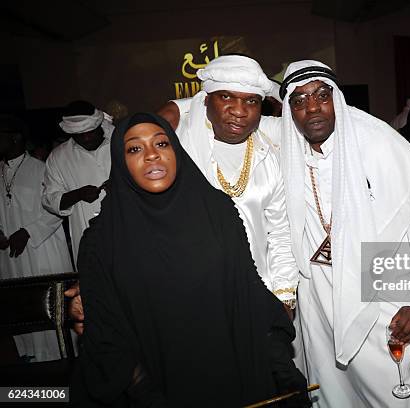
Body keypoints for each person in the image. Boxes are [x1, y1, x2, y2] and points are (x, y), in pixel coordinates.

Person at [72, 112, 306, 407]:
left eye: (162, 144)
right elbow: (107, 335)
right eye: (135, 148)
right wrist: (147, 394)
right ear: (121, 162)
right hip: (157, 388)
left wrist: (281, 367)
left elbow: (248, 294)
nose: (152, 156)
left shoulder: (218, 211)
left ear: (176, 151)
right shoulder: (102, 240)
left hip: (235, 380)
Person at [278, 60, 410, 407]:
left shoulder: (376, 142)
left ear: (337, 98)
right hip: (320, 303)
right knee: (331, 396)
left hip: (383, 297)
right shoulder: (290, 150)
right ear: (289, 110)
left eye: (321, 95)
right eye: (300, 100)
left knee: (393, 397)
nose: (312, 108)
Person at [165, 55, 298, 310]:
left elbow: (280, 233)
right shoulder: (176, 147)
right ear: (206, 100)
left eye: (251, 100)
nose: (239, 110)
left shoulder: (269, 152)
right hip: (189, 294)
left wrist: (284, 295)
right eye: (226, 97)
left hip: (256, 292)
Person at [0, 115, 72, 362]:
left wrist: (28, 231)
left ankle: (58, 357)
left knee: (48, 303)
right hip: (11, 255)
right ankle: (28, 354)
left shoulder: (42, 168)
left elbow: (57, 209)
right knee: (19, 305)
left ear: (15, 137)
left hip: (42, 249)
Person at [42, 100, 113, 261]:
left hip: (129, 231)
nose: (86, 138)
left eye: (90, 131)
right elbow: (48, 200)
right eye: (80, 135)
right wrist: (78, 194)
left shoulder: (122, 142)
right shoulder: (58, 157)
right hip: (89, 238)